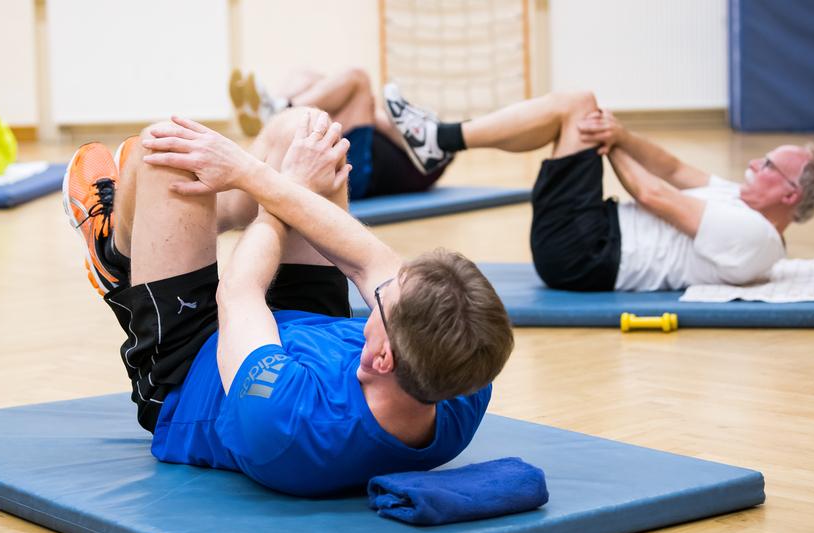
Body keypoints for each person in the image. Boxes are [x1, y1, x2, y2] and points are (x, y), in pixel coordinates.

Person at [61, 106, 514, 497]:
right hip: (307, 333)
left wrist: (276, 182)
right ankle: (198, 222)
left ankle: (116, 250)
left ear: (380, 357)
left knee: (166, 150)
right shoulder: (463, 379)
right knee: (313, 134)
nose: (383, 281)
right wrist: (256, 176)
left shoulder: (286, 420)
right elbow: (368, 260)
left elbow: (240, 290)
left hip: (197, 367)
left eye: (383, 299)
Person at [383, 86, 814, 291]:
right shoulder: (739, 199)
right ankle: (439, 141)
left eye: (769, 164)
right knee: (575, 109)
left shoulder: (756, 238)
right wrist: (620, 133)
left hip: (585, 255)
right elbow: (673, 169)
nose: (756, 161)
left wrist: (608, 141)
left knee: (577, 106)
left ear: (791, 194)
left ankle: (438, 140)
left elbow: (656, 196)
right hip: (590, 236)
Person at [230, 68, 450, 201]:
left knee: (357, 78)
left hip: (355, 173)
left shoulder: (432, 152)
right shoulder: (410, 137)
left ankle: (278, 111)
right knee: (308, 76)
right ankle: (275, 108)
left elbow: (380, 117)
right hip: (350, 153)